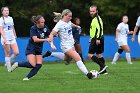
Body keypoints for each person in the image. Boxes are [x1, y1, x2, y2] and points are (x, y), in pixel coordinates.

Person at [45, 9, 99, 79]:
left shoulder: (68, 22)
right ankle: (88, 74)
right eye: (69, 16)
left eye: (71, 16)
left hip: (71, 44)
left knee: (66, 59)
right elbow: (51, 34)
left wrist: (77, 26)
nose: (71, 18)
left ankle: (50, 54)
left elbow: (71, 24)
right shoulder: (59, 24)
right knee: (78, 58)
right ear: (64, 15)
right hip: (65, 46)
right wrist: (51, 44)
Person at [11, 15, 56, 80]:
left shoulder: (45, 27)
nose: (43, 24)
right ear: (37, 23)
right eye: (42, 22)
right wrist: (46, 40)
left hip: (39, 48)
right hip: (31, 48)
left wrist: (52, 44)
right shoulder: (33, 28)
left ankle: (27, 77)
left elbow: (50, 35)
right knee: (32, 64)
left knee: (39, 65)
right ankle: (17, 64)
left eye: (44, 22)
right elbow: (35, 39)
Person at [88, 5, 108, 74]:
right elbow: (95, 29)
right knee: (99, 54)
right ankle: (104, 71)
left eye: (93, 11)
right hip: (96, 38)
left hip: (97, 38)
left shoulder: (97, 19)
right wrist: (91, 37)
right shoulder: (95, 19)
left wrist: (97, 39)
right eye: (90, 11)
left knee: (90, 54)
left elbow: (100, 29)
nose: (91, 12)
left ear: (97, 11)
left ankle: (103, 66)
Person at [0, 6, 19, 72]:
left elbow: (12, 27)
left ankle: (8, 62)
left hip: (12, 37)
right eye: (5, 10)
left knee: (16, 52)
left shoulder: (11, 18)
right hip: (5, 38)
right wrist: (4, 39)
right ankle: (9, 69)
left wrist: (15, 35)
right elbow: (1, 30)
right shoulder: (1, 19)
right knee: (7, 54)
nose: (6, 11)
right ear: (2, 12)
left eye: (7, 10)